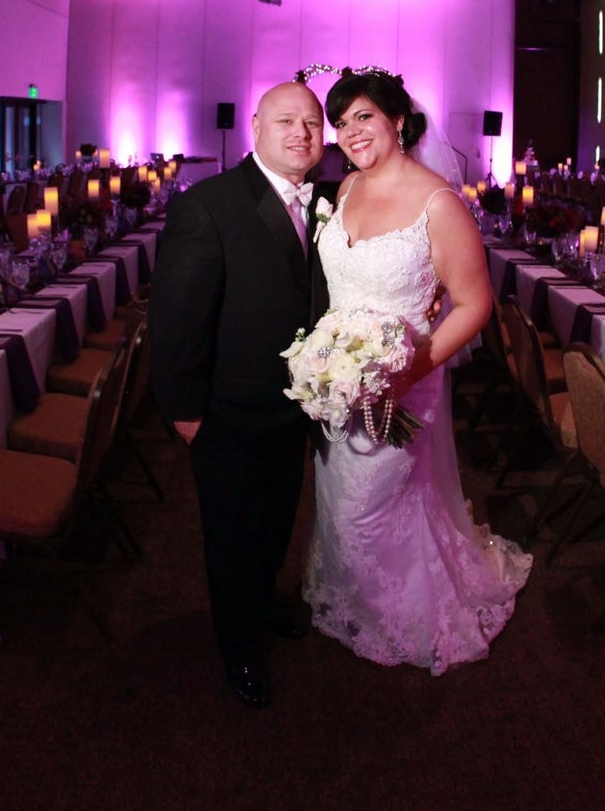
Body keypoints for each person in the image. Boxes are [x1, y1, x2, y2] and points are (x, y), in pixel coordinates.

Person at [304, 69, 531, 675]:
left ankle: (404, 614)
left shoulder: (439, 203)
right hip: (338, 378)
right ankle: (356, 599)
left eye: (364, 117)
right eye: (342, 122)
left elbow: (475, 304)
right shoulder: (347, 187)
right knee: (337, 492)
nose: (350, 132)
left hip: (404, 377)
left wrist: (406, 370)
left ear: (397, 120)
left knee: (372, 504)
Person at [148, 80, 336, 709]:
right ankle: (239, 649)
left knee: (277, 521)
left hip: (294, 410)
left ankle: (261, 607)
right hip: (227, 416)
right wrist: (185, 413)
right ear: (255, 125)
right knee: (231, 538)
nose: (301, 134)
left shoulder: (325, 201)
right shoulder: (210, 204)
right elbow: (177, 317)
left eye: (312, 123)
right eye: (286, 120)